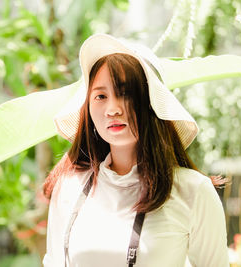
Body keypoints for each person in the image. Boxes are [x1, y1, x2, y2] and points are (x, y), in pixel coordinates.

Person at [42, 34, 229, 267]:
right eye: (101, 96)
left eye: (126, 93)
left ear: (152, 102)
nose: (112, 109)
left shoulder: (192, 191)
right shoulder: (68, 187)